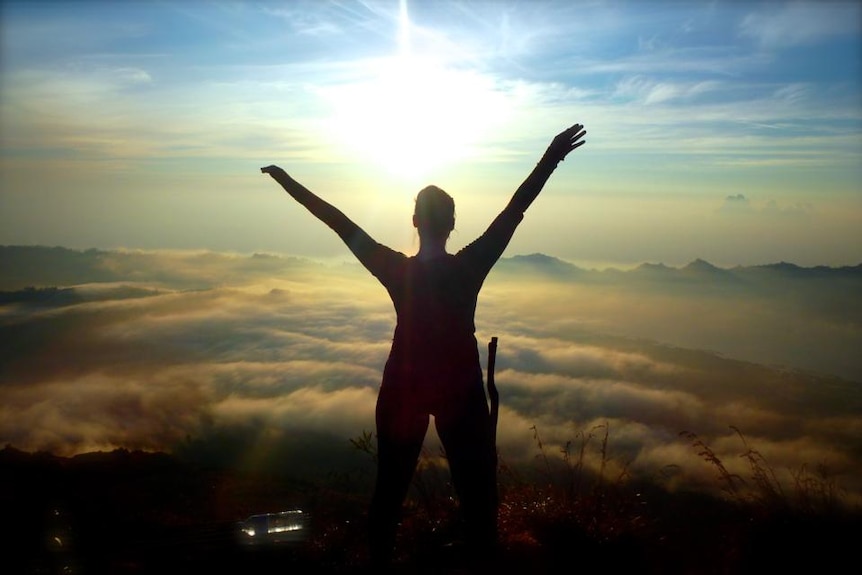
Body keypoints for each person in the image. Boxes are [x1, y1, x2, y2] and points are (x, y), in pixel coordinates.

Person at [261, 123, 586, 568]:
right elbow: (515, 208)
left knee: (389, 494)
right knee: (476, 499)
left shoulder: (395, 269)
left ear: (414, 221)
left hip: (403, 389)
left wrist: (287, 181)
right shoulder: (469, 267)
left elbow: (338, 222)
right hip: (460, 391)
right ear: (452, 224)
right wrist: (552, 156)